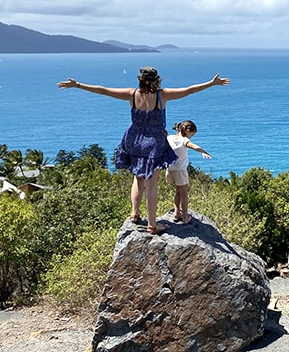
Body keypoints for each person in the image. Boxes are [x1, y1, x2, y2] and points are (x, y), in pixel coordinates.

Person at [57, 67, 229, 235]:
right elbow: (190, 90)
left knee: (138, 178)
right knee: (151, 185)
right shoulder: (162, 95)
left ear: (140, 79)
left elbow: (103, 91)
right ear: (157, 80)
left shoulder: (132, 94)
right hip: (154, 142)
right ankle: (152, 225)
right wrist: (212, 83)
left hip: (134, 140)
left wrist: (77, 85)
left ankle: (135, 214)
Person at [166, 120, 211, 224]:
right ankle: (185, 217)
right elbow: (193, 146)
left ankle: (177, 213)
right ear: (187, 131)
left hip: (170, 169)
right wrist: (203, 152)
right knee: (184, 194)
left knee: (177, 191)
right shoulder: (184, 140)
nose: (192, 136)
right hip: (180, 170)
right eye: (192, 134)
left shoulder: (169, 138)